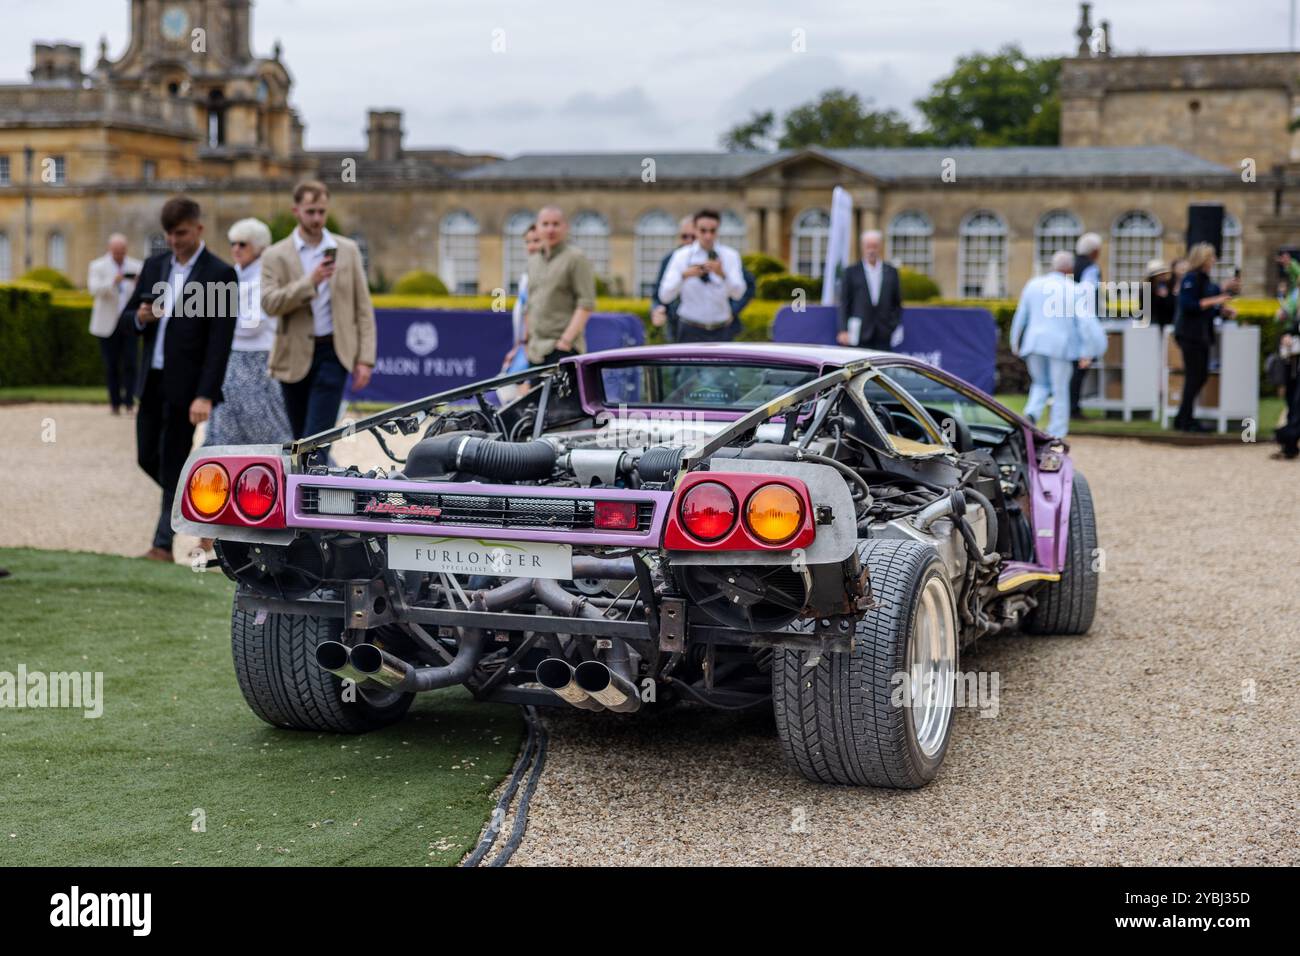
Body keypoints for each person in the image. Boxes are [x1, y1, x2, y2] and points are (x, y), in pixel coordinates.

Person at [119, 196, 237, 561]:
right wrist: (141, 317)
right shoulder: (154, 267)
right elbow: (127, 320)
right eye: (169, 233)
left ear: (198, 229)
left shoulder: (220, 274)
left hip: (188, 387)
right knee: (145, 456)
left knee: (173, 459)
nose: (174, 240)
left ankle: (160, 544)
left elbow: (220, 344)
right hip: (151, 380)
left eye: (181, 233)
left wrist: (205, 394)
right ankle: (197, 505)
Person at [261, 180, 376, 440]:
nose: (316, 218)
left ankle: (312, 479)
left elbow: (363, 308)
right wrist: (310, 282)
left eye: (321, 211)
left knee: (318, 440)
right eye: (310, 211)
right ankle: (306, 481)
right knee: (301, 439)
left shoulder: (347, 250)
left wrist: (365, 359)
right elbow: (270, 304)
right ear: (296, 211)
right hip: (292, 355)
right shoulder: (274, 255)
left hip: (334, 353)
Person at [204, 218, 292, 447]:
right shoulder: (229, 274)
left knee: (269, 430)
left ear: (260, 246)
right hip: (229, 359)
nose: (236, 249)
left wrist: (219, 323)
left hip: (258, 360)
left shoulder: (266, 277)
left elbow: (254, 325)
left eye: (243, 244)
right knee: (223, 428)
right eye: (233, 243)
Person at [1010, 250, 1105, 439]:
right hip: (1060, 347)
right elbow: (1085, 324)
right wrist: (1087, 351)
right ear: (1070, 268)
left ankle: (1031, 415)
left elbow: (1021, 316)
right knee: (1060, 389)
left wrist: (1015, 342)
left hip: (1034, 343)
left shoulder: (1033, 284)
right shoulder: (1075, 289)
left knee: (1039, 383)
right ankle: (1057, 432)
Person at [1173, 242, 1238, 433]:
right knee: (1195, 377)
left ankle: (1183, 418)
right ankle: (1185, 420)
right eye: (1211, 257)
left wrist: (1220, 310)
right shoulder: (1190, 279)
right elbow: (1189, 305)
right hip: (1190, 335)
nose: (1214, 261)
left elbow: (1206, 308)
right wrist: (1217, 300)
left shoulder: (1204, 280)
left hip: (1200, 335)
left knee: (1198, 377)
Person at [658, 209, 746, 344]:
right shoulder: (681, 256)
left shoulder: (730, 256)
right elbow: (664, 295)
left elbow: (738, 294)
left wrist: (722, 274)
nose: (708, 236)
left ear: (718, 230)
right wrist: (684, 276)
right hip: (689, 329)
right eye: (703, 230)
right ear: (695, 230)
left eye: (713, 231)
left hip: (722, 330)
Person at [525, 205, 595, 365]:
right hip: (535, 351)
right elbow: (530, 303)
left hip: (563, 350)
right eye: (545, 224)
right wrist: (526, 342)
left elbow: (586, 304)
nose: (550, 229)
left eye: (556, 224)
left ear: (565, 227)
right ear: (537, 227)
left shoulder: (576, 259)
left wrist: (565, 342)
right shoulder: (533, 261)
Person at [87, 234, 142, 415]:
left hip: (129, 323)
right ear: (109, 250)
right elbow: (93, 289)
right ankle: (115, 403)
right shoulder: (97, 266)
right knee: (111, 365)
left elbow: (142, 293)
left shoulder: (136, 266)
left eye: (122, 251)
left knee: (131, 364)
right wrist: (113, 281)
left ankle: (129, 402)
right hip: (106, 324)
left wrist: (138, 283)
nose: (119, 255)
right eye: (116, 252)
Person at [837, 229, 902, 350]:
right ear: (863, 247)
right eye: (868, 246)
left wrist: (892, 325)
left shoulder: (891, 272)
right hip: (858, 334)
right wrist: (843, 329)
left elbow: (896, 303)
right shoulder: (851, 272)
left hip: (884, 334)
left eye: (875, 246)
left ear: (880, 247)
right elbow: (844, 303)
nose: (871, 250)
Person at [1070, 232, 1103, 419]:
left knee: (1074, 366)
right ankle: (1074, 408)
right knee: (1082, 364)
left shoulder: (1071, 265)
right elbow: (1088, 295)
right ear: (1095, 251)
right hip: (1084, 321)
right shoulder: (1091, 268)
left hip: (1068, 319)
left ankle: (1071, 406)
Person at [502, 222, 542, 375]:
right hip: (525, 347)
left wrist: (524, 347)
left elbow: (532, 313)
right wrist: (518, 347)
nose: (531, 246)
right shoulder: (527, 273)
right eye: (528, 242)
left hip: (534, 348)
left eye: (536, 241)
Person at [650, 216, 696, 341]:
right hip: (675, 326)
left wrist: (731, 311)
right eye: (684, 236)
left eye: (693, 237)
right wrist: (657, 310)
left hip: (704, 327)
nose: (689, 241)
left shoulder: (714, 258)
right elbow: (657, 295)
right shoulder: (670, 258)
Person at [1147, 259, 1176, 329]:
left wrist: (1167, 296)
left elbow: (1172, 304)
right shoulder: (1147, 288)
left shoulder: (1169, 285)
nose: (1162, 276)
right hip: (1153, 323)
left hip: (1168, 322)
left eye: (1163, 273)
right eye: (1159, 274)